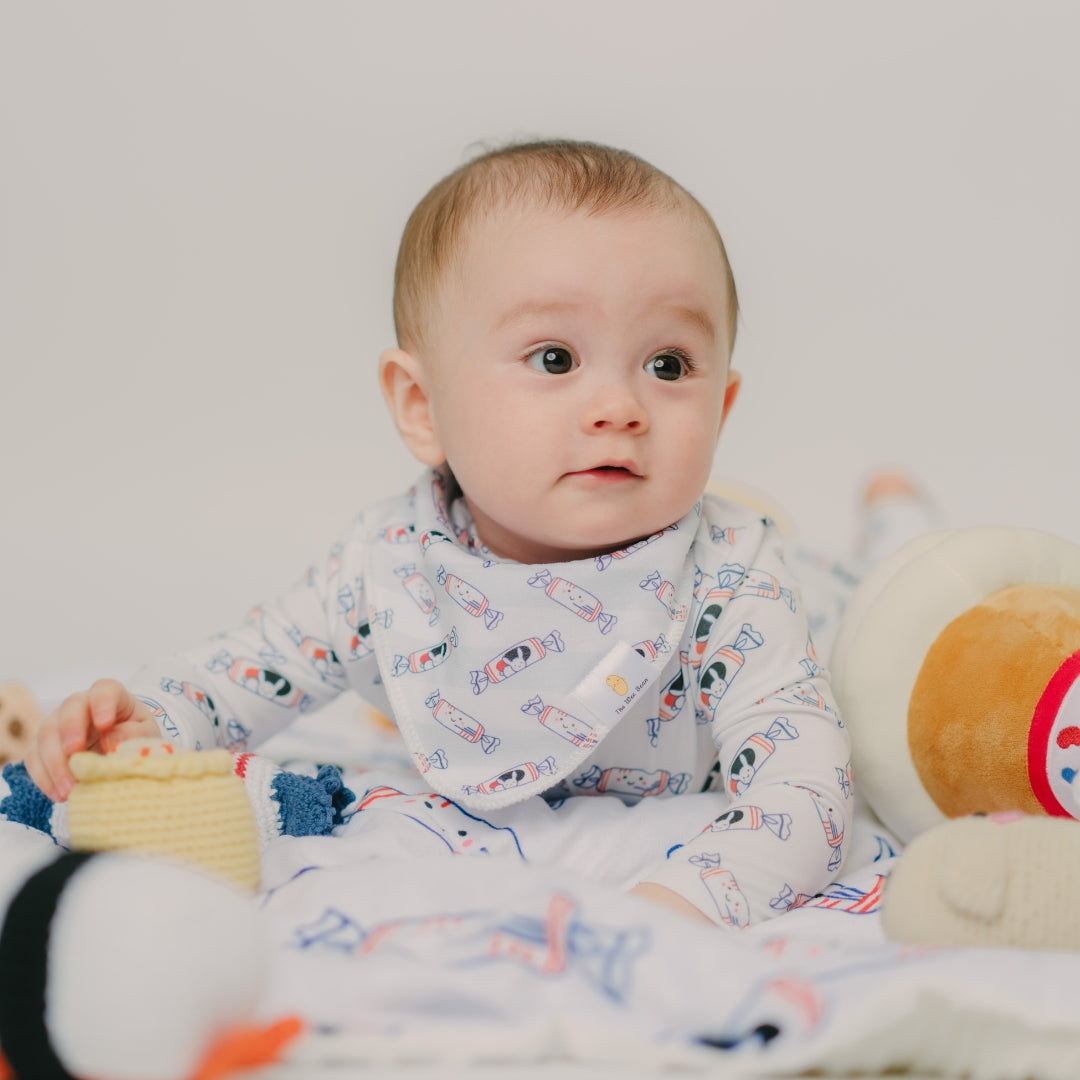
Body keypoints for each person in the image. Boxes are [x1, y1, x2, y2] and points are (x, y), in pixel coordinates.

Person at [23, 139, 853, 928]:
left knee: (870, 611)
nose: (621, 407)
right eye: (556, 359)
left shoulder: (735, 580)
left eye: (668, 365)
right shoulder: (389, 571)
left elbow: (806, 795)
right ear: (422, 408)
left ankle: (890, 518)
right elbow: (240, 673)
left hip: (810, 595)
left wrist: (682, 903)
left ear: (723, 408)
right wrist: (150, 724)